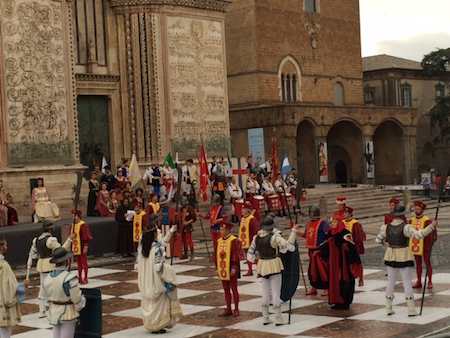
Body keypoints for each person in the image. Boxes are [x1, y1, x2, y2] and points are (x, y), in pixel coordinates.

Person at [376, 205, 437, 316]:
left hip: (390, 255)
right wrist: (431, 227)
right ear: (402, 215)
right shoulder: (406, 227)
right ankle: (411, 309)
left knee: (390, 282)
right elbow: (419, 235)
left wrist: (387, 245)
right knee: (407, 282)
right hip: (404, 255)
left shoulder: (385, 227)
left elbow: (378, 240)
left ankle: (388, 308)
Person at [247, 215, 300, 325]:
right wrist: (294, 232)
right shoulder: (275, 237)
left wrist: (256, 260)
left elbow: (249, 255)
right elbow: (289, 247)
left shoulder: (256, 237)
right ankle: (278, 318)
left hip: (262, 266)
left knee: (265, 293)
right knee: (276, 293)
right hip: (274, 265)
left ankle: (266, 317)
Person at [137, 217, 182, 334]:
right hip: (156, 281)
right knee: (159, 303)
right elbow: (159, 268)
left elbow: (163, 242)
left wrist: (171, 231)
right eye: (157, 233)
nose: (159, 235)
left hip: (147, 280)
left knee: (149, 302)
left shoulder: (143, 247)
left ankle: (151, 324)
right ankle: (157, 325)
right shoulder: (157, 249)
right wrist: (170, 271)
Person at [309, 215, 363, 310]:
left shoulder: (345, 233)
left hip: (344, 265)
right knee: (334, 282)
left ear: (339, 223)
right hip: (333, 265)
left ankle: (345, 303)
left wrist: (345, 248)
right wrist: (318, 252)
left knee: (344, 283)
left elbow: (352, 247)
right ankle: (337, 302)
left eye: (334, 222)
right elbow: (325, 246)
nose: (332, 224)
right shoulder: (330, 233)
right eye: (331, 222)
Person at [26, 221, 73, 318]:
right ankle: (50, 308)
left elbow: (32, 254)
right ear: (51, 229)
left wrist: (28, 269)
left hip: (41, 265)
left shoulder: (36, 240)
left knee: (43, 287)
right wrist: (69, 240)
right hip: (50, 265)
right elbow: (61, 251)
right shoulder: (51, 240)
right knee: (52, 287)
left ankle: (42, 310)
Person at [43, 247, 86, 338]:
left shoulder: (47, 278)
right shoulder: (69, 278)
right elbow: (77, 299)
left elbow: (45, 298)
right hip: (68, 313)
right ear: (66, 261)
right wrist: (81, 304)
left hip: (53, 311)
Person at [409, 201, 437, 289]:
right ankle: (418, 281)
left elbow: (431, 233)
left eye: (418, 209)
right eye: (415, 208)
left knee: (427, 262)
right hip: (415, 244)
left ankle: (430, 281)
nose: (416, 210)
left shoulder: (427, 220)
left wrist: (429, 244)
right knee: (418, 264)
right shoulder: (411, 220)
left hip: (425, 245)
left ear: (422, 210)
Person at [302, 206, 329, 296]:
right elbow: (305, 235)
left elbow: (328, 235)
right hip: (311, 251)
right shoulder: (309, 223)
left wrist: (323, 246)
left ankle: (326, 288)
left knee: (322, 270)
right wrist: (295, 231)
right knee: (312, 271)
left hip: (320, 251)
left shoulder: (323, 223)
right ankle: (314, 288)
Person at [216, 222, 241, 317]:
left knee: (234, 289)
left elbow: (236, 255)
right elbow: (216, 254)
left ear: (227, 230)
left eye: (222, 230)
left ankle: (236, 309)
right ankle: (228, 308)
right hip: (222, 268)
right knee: (226, 289)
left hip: (231, 268)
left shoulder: (234, 240)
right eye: (220, 229)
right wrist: (217, 267)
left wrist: (234, 267)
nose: (220, 231)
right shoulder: (219, 241)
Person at [0, 239, 22, 338]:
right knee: (5, 333)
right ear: (1, 247)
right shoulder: (4, 266)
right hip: (2, 306)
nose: (7, 247)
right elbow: (9, 289)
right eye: (5, 245)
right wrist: (22, 287)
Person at [343, 206, 366, 286]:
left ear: (350, 214)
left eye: (346, 213)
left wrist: (357, 248)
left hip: (353, 246)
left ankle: (361, 278)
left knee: (357, 263)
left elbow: (358, 237)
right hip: (344, 247)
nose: (344, 214)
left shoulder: (355, 223)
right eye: (344, 212)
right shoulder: (342, 222)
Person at [70, 210, 93, 285]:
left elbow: (86, 236)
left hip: (82, 245)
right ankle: (80, 277)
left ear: (78, 216)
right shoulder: (73, 225)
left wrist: (86, 246)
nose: (73, 217)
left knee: (84, 263)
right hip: (76, 246)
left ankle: (85, 277)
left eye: (74, 215)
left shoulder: (83, 224)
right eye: (73, 215)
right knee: (79, 264)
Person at [238, 204, 259, 276]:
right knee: (248, 256)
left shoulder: (252, 219)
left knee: (255, 256)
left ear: (247, 210)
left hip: (251, 240)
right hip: (244, 240)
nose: (242, 211)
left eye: (243, 209)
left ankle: (260, 270)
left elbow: (256, 230)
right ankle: (250, 270)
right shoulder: (243, 219)